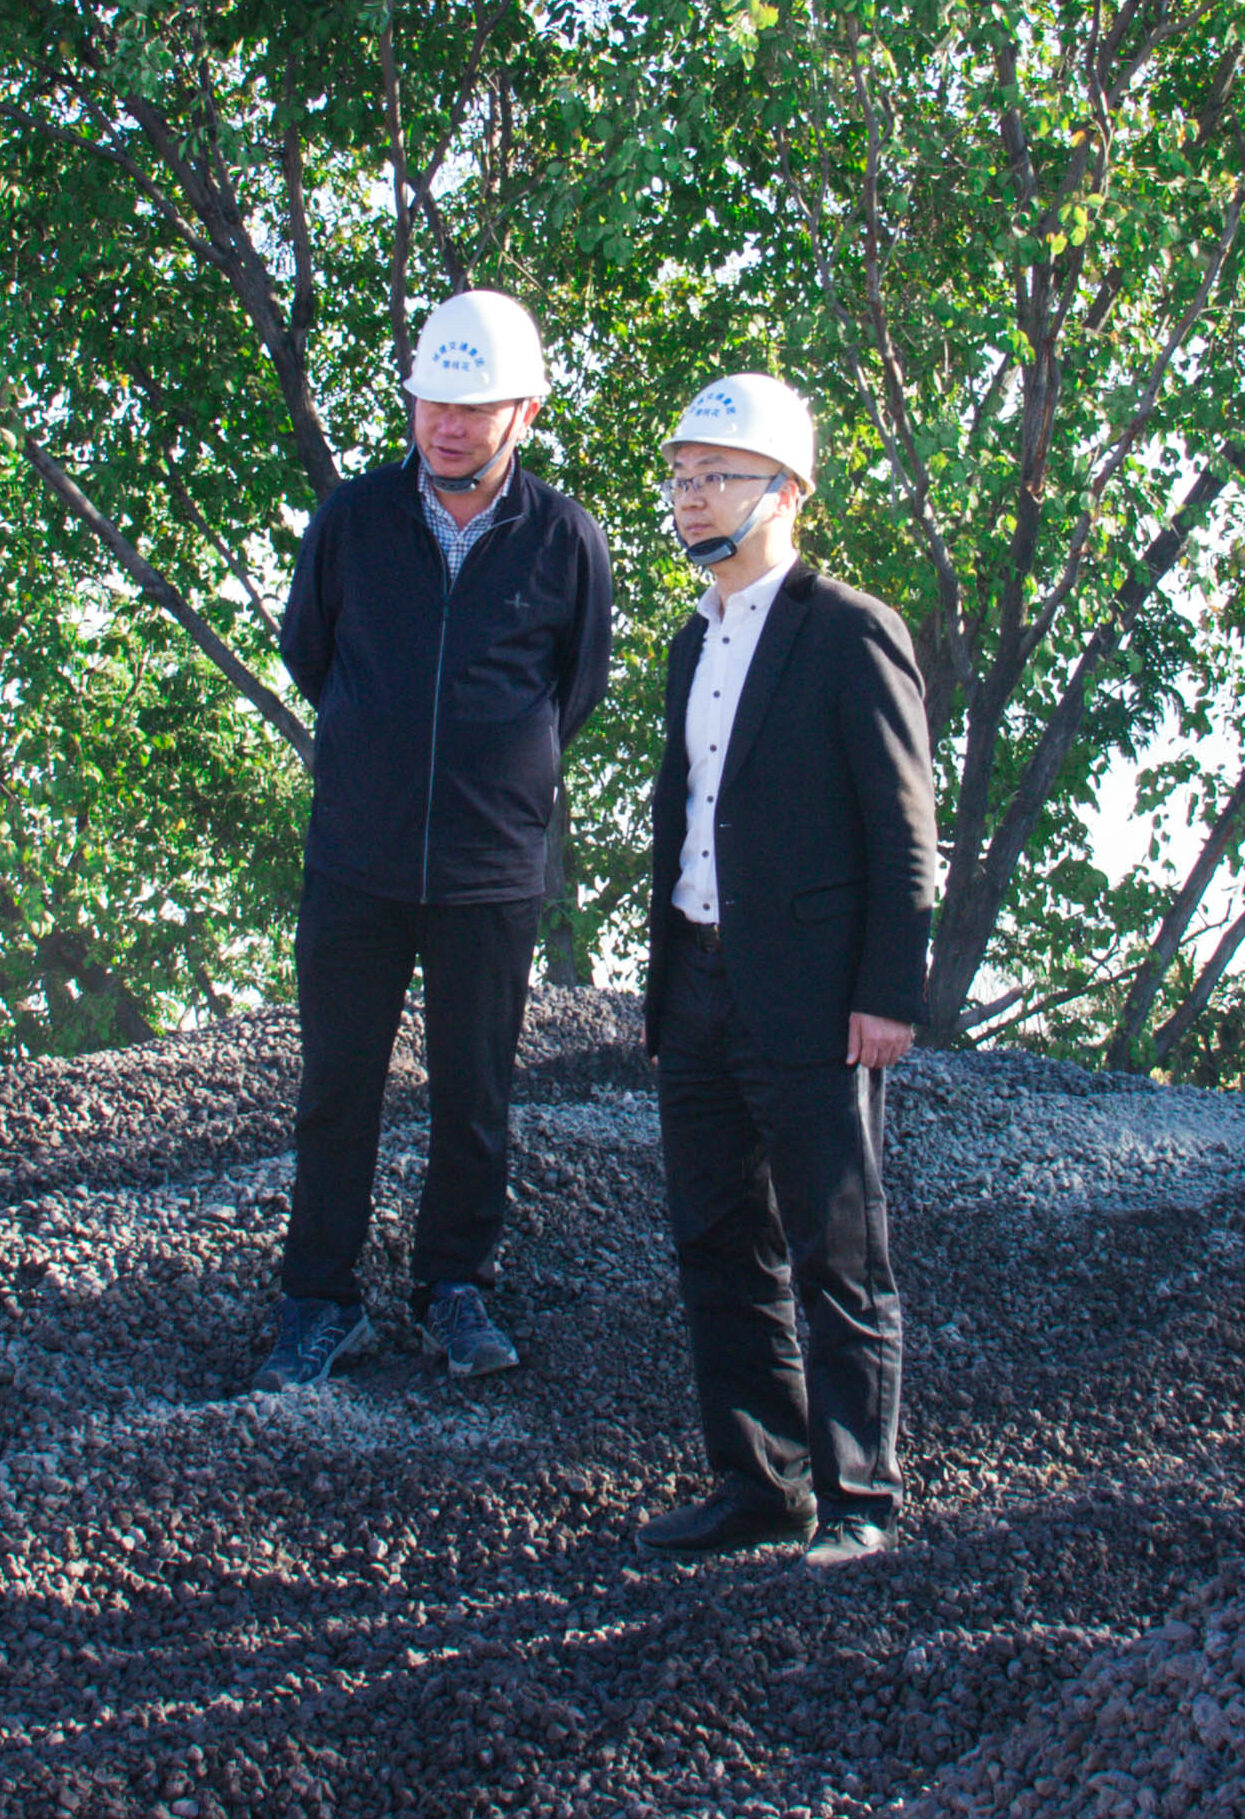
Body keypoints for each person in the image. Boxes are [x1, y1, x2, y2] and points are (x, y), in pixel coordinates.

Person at [251, 288, 615, 1394]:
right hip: (355, 859)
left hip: (489, 871)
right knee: (336, 1086)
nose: (446, 426)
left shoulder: (565, 539)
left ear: (525, 411)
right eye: (430, 403)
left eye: (472, 406)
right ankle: (319, 1302)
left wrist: (492, 776)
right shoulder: (353, 520)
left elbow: (574, 689)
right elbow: (309, 654)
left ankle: (455, 1286)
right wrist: (381, 752)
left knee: (474, 1093)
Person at [631, 373, 937, 1569]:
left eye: (715, 474)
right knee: (716, 1244)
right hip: (697, 983)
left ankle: (858, 1498)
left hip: (814, 995)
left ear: (786, 490)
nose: (690, 495)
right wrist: (664, 986)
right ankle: (758, 1485)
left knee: (836, 1248)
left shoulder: (850, 629)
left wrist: (888, 993)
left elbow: (902, 829)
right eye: (680, 475)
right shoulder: (688, 641)